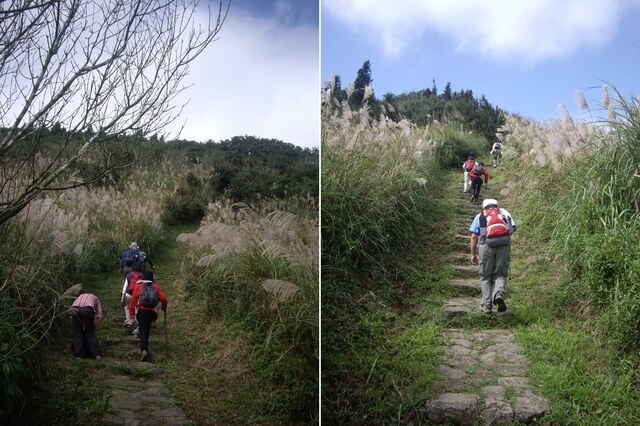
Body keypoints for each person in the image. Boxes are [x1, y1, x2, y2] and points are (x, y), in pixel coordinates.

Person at [469, 198, 517, 314]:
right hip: (504, 245)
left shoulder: (480, 215)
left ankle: (487, 305)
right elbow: (512, 229)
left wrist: (473, 254)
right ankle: (499, 294)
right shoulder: (504, 213)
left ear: (484, 207)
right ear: (496, 205)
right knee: (500, 274)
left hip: (486, 246)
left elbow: (474, 236)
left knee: (485, 276)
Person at [129, 270, 168, 362]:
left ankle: (144, 349)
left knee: (143, 330)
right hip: (152, 313)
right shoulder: (156, 287)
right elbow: (164, 298)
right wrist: (164, 308)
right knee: (146, 329)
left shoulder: (138, 286)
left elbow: (133, 300)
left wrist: (131, 313)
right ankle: (143, 348)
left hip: (142, 311)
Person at [70, 292, 103, 359]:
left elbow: (72, 315)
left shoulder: (79, 297)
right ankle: (96, 354)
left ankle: (78, 355)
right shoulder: (96, 298)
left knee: (78, 333)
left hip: (74, 310)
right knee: (90, 333)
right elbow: (99, 315)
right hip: (87, 309)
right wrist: (95, 326)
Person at [121, 261, 143, 327]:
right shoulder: (142, 275)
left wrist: (122, 296)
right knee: (137, 307)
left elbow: (125, 286)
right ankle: (136, 321)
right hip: (138, 294)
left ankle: (129, 321)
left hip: (128, 294)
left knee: (127, 307)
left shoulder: (128, 275)